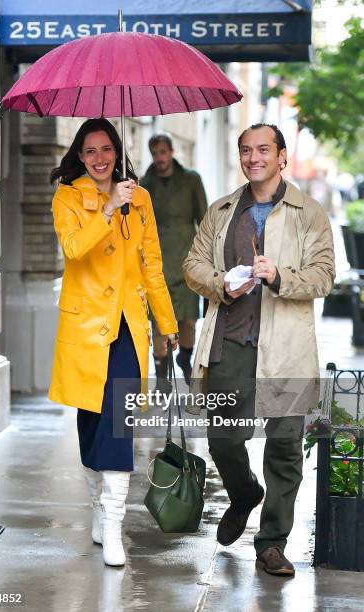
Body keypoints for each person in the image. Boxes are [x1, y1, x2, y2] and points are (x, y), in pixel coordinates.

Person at [183, 124, 335, 576]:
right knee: (224, 440)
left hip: (286, 348)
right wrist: (220, 282)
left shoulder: (308, 212)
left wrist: (280, 275)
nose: (253, 158)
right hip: (230, 341)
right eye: (246, 151)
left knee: (285, 445)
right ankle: (245, 492)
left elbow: (324, 275)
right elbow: (193, 264)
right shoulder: (223, 210)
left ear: (282, 157)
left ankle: (271, 542)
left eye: (263, 150)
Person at [48, 119, 178, 567]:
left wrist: (167, 322)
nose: (100, 159)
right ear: (80, 157)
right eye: (90, 152)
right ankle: (98, 512)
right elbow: (72, 249)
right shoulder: (68, 196)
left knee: (119, 420)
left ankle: (115, 523)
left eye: (106, 149)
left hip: (127, 324)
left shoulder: (138, 197)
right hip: (86, 328)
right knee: (91, 422)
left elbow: (152, 264)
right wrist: (105, 210)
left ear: (117, 151)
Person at [140, 134, 207, 390]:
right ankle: (161, 376)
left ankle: (185, 359)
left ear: (171, 151)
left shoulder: (191, 179)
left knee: (188, 318)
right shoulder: (145, 184)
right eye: (155, 153)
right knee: (158, 319)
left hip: (187, 258)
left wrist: (207, 255)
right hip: (156, 260)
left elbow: (204, 219)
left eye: (163, 152)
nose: (159, 158)